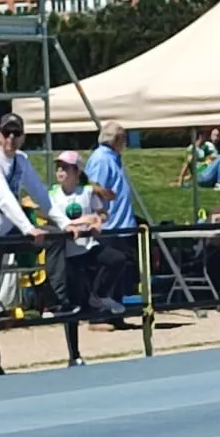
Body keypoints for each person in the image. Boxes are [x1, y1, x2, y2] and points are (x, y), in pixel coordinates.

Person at [0, 112, 53, 314]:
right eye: (7, 133)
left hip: (10, 230)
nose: (11, 138)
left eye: (16, 133)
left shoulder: (21, 160)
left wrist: (66, 223)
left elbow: (41, 193)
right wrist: (28, 227)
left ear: (23, 136)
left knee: (55, 239)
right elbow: (3, 198)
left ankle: (54, 301)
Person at [45, 149, 107, 366]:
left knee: (116, 260)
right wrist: (82, 220)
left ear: (76, 171)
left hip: (87, 250)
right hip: (67, 255)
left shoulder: (86, 192)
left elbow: (101, 214)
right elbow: (49, 218)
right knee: (71, 305)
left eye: (66, 168)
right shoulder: (51, 195)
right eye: (58, 167)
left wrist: (97, 222)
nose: (60, 171)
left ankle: (98, 297)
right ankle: (74, 354)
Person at [85, 119, 141, 312]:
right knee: (108, 268)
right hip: (110, 225)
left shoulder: (113, 157)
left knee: (121, 270)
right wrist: (106, 194)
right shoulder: (101, 158)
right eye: (124, 138)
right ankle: (100, 313)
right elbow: (92, 186)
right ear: (117, 138)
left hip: (121, 224)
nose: (125, 143)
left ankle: (115, 313)